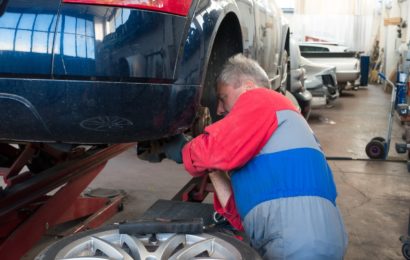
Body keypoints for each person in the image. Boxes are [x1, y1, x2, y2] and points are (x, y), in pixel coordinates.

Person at [165, 54, 348, 259]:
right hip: (309, 240)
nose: (219, 109)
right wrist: (212, 169)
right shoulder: (276, 127)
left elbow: (214, 150)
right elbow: (239, 213)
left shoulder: (263, 98)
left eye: (223, 97)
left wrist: (184, 150)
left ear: (248, 87)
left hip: (299, 242)